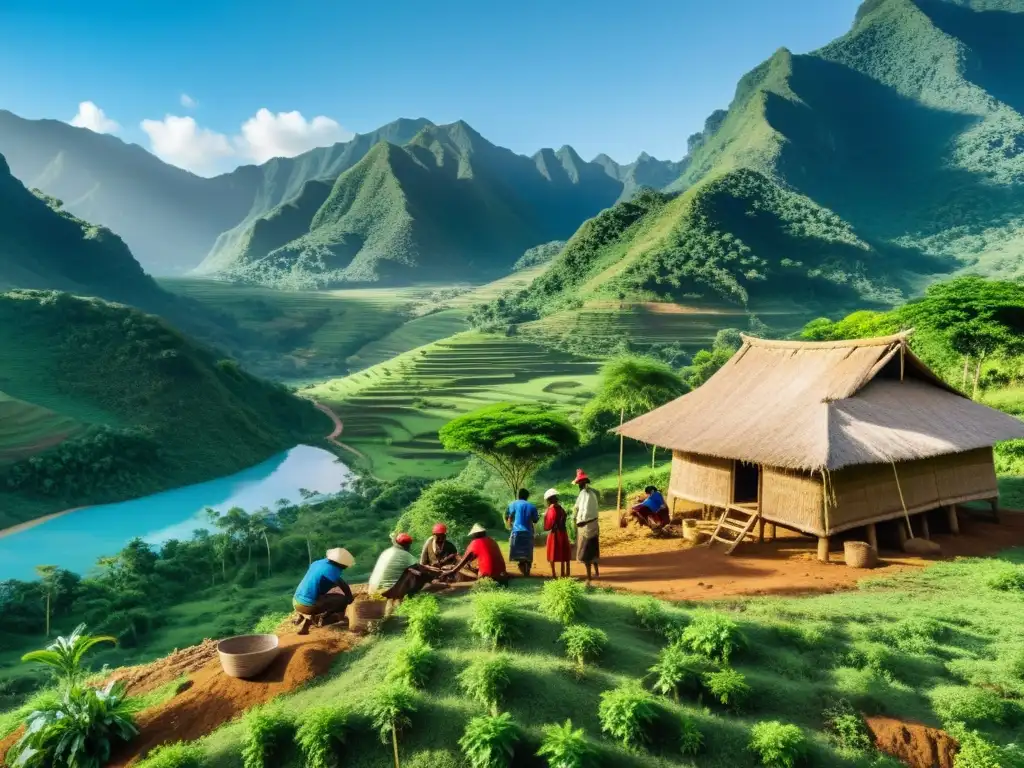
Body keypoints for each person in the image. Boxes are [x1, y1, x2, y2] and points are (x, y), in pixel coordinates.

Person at [292, 547, 355, 635]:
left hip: (296, 601)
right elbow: (342, 585)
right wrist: (350, 598)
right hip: (307, 606)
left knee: (314, 593)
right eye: (345, 565)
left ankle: (302, 617)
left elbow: (316, 583)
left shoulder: (317, 563)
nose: (345, 567)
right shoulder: (333, 570)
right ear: (340, 563)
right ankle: (321, 620)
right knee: (342, 600)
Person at [368, 533, 443, 606]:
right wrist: (439, 573)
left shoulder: (386, 552)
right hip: (385, 592)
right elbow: (421, 568)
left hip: (372, 589)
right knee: (416, 575)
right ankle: (412, 597)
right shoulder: (406, 555)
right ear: (407, 546)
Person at [444, 523, 509, 584]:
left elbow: (463, 561)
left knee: (458, 568)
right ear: (484, 532)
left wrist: (452, 571)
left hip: (487, 577)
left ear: (475, 534)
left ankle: (480, 579)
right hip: (502, 574)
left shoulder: (474, 543)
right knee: (477, 567)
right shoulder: (492, 540)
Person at [572, 469, 601, 583]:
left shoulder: (583, 494)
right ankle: (597, 572)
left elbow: (579, 509)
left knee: (586, 552)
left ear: (580, 483)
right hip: (594, 524)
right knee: (594, 549)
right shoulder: (592, 493)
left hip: (586, 526)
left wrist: (575, 518)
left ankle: (589, 577)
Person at [505, 488, 539, 576]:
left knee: (518, 552)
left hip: (516, 532)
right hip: (528, 532)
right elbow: (535, 520)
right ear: (527, 497)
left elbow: (507, 516)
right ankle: (527, 568)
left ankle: (521, 565)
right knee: (527, 552)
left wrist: (510, 524)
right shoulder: (532, 506)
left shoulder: (512, 504)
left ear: (518, 496)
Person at [543, 488, 572, 578]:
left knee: (552, 553)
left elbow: (548, 525)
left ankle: (554, 573)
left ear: (549, 500)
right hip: (563, 532)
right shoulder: (561, 508)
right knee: (564, 552)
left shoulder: (550, 510)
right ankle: (565, 572)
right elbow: (565, 517)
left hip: (554, 534)